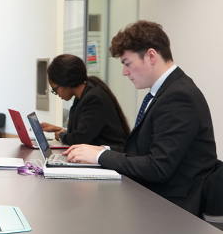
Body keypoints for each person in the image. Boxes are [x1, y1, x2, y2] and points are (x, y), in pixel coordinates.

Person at [65, 21, 217, 213]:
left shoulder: (179, 96)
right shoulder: (167, 91)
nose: (124, 72)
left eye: (128, 63)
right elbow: (144, 149)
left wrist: (100, 156)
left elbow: (157, 167)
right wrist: (102, 149)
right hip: (157, 199)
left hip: (174, 210)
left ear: (151, 56)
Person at [40, 54, 129, 149]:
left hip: (110, 158)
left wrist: (61, 136)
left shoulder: (93, 98)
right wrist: (58, 129)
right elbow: (87, 131)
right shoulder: (85, 95)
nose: (56, 93)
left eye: (55, 89)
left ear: (66, 82)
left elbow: (80, 139)